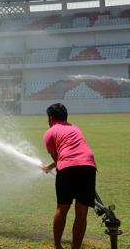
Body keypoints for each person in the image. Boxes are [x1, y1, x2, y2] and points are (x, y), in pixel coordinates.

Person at [41, 103, 96, 249]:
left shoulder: (50, 133)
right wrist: (49, 167)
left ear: (51, 118)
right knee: (81, 212)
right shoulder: (74, 128)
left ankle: (58, 246)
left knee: (62, 208)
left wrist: (50, 167)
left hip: (67, 168)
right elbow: (74, 153)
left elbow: (59, 159)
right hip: (88, 166)